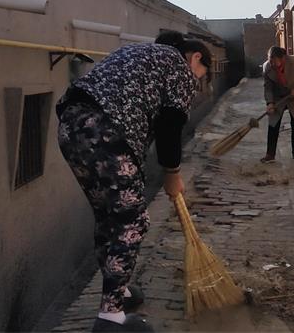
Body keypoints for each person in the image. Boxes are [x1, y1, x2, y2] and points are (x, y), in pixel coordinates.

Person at [56, 30, 211, 332]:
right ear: (195, 58)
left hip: (71, 128)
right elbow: (170, 126)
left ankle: (120, 291)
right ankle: (110, 318)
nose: (198, 82)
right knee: (134, 221)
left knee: (108, 216)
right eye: (202, 73)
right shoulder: (178, 68)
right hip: (106, 133)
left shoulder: (141, 55)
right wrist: (172, 173)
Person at [261, 46, 294, 163]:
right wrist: (270, 103)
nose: (272, 63)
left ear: (282, 58)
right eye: (270, 60)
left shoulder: (291, 61)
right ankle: (270, 154)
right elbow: (268, 88)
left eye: (274, 60)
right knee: (273, 123)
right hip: (278, 98)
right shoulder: (267, 68)